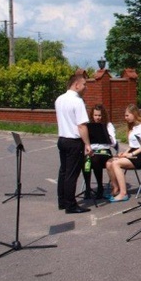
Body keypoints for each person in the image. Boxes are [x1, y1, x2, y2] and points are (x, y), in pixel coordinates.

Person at [54, 73, 92, 213]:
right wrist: (87, 144)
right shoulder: (77, 101)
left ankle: (62, 201)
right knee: (72, 174)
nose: (85, 87)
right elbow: (81, 126)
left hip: (62, 138)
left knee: (63, 171)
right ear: (76, 85)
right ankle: (70, 204)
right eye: (84, 84)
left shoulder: (59, 99)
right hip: (73, 141)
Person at [105, 104, 141, 202]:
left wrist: (131, 154)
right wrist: (124, 153)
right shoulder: (133, 127)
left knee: (116, 163)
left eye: (127, 115)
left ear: (134, 114)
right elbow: (132, 145)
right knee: (109, 162)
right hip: (134, 152)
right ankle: (116, 188)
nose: (125, 118)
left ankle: (123, 193)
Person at [82, 104, 117, 200]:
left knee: (95, 159)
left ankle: (100, 187)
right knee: (85, 160)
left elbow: (114, 143)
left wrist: (107, 135)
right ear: (92, 115)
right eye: (95, 115)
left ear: (103, 116)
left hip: (104, 151)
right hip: (92, 151)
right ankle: (88, 188)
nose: (97, 118)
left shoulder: (108, 125)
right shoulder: (88, 125)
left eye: (99, 115)